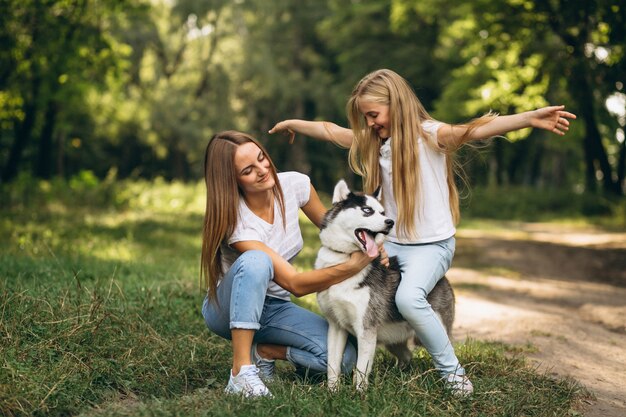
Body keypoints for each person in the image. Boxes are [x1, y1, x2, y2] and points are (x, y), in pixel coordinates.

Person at [268, 68, 576, 396]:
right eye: (365, 117)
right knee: (366, 298)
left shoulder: (428, 134)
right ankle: (396, 357)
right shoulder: (374, 142)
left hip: (433, 247)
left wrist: (528, 118)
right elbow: (331, 131)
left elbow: (471, 131)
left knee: (409, 299)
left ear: (396, 105)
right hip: (394, 245)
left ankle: (454, 375)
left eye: (373, 114)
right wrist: (293, 125)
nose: (370, 123)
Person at [201, 130, 381, 397]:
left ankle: (265, 352)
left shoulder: (294, 185)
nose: (263, 170)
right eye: (249, 170)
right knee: (256, 261)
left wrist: (371, 243)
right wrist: (352, 266)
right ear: (232, 181)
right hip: (227, 308)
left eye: (262, 158)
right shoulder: (237, 221)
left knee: (344, 359)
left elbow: (335, 230)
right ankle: (241, 371)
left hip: (274, 308)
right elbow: (294, 284)